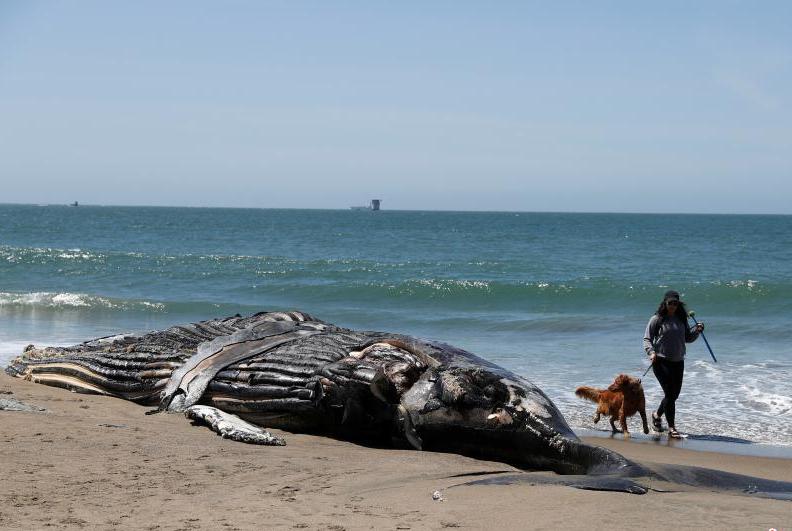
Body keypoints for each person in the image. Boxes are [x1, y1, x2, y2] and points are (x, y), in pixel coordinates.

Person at [643, 290, 704, 439]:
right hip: (660, 361)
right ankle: (672, 428)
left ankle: (656, 415)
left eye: (675, 303)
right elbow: (647, 338)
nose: (673, 306)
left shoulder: (681, 319)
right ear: (665, 303)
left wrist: (697, 331)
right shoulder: (657, 319)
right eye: (670, 303)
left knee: (673, 396)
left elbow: (687, 339)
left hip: (678, 361)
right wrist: (651, 352)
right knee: (670, 394)